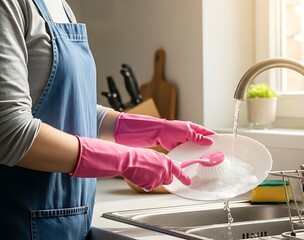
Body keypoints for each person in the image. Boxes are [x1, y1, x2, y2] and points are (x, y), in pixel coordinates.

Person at [0, 0, 216, 239]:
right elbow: (10, 132)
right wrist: (127, 159)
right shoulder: (9, 6)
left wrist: (156, 129)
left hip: (68, 223)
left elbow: (74, 110)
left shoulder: (59, 6)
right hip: (17, 223)